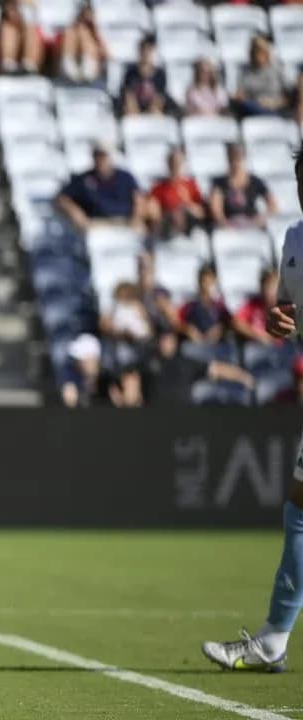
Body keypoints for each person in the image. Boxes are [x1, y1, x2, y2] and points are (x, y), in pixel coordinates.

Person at [202, 149, 303, 671]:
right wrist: (279, 323)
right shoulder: (294, 240)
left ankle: (272, 641)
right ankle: (274, 640)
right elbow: (284, 315)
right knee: (300, 512)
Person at [211, 143, 277, 230]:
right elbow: (216, 209)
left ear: (244, 158)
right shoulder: (219, 183)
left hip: (252, 224)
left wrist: (260, 219)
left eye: (238, 158)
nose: (235, 163)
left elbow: (273, 205)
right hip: (229, 225)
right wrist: (225, 224)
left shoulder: (255, 181)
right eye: (232, 158)